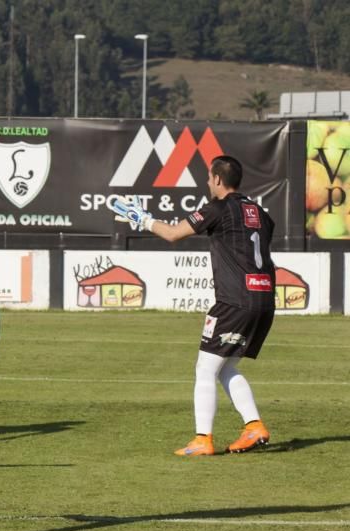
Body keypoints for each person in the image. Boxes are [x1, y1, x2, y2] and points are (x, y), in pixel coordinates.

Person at [110, 155, 274, 457]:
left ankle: (202, 439)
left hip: (235, 300)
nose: (208, 182)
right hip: (264, 298)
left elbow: (173, 233)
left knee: (205, 368)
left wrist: (143, 219)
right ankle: (254, 426)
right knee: (225, 367)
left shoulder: (219, 208)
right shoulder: (260, 212)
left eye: (209, 177)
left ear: (218, 180)